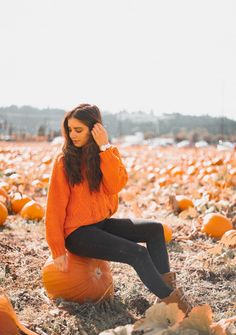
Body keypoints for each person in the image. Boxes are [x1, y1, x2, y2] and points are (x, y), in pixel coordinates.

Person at [45, 103, 192, 314]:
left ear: (95, 129)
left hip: (100, 225)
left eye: (79, 130)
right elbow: (54, 208)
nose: (73, 135)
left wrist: (104, 148)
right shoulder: (63, 161)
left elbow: (115, 185)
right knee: (137, 253)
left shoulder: (106, 155)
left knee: (155, 229)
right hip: (77, 234)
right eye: (70, 130)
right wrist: (57, 250)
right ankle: (175, 304)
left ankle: (167, 291)